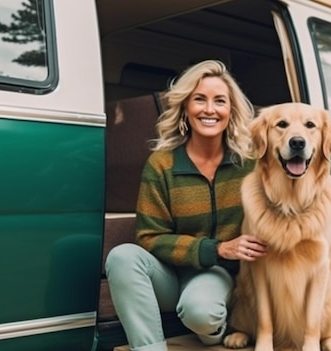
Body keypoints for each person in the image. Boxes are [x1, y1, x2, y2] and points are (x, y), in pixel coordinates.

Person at [105, 60, 268, 351]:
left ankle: (217, 328)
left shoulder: (251, 164)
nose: (209, 109)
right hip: (169, 273)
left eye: (220, 101)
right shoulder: (162, 164)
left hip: (218, 274)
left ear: (231, 110)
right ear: (185, 107)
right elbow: (149, 237)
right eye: (199, 99)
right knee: (121, 257)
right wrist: (216, 247)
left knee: (201, 313)